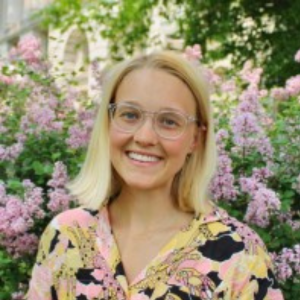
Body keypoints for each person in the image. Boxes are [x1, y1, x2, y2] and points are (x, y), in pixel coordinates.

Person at [27, 51, 284, 300]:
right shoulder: (66, 235)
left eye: (169, 121)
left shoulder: (239, 254)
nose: (144, 137)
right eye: (129, 115)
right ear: (107, 123)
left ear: (196, 138)